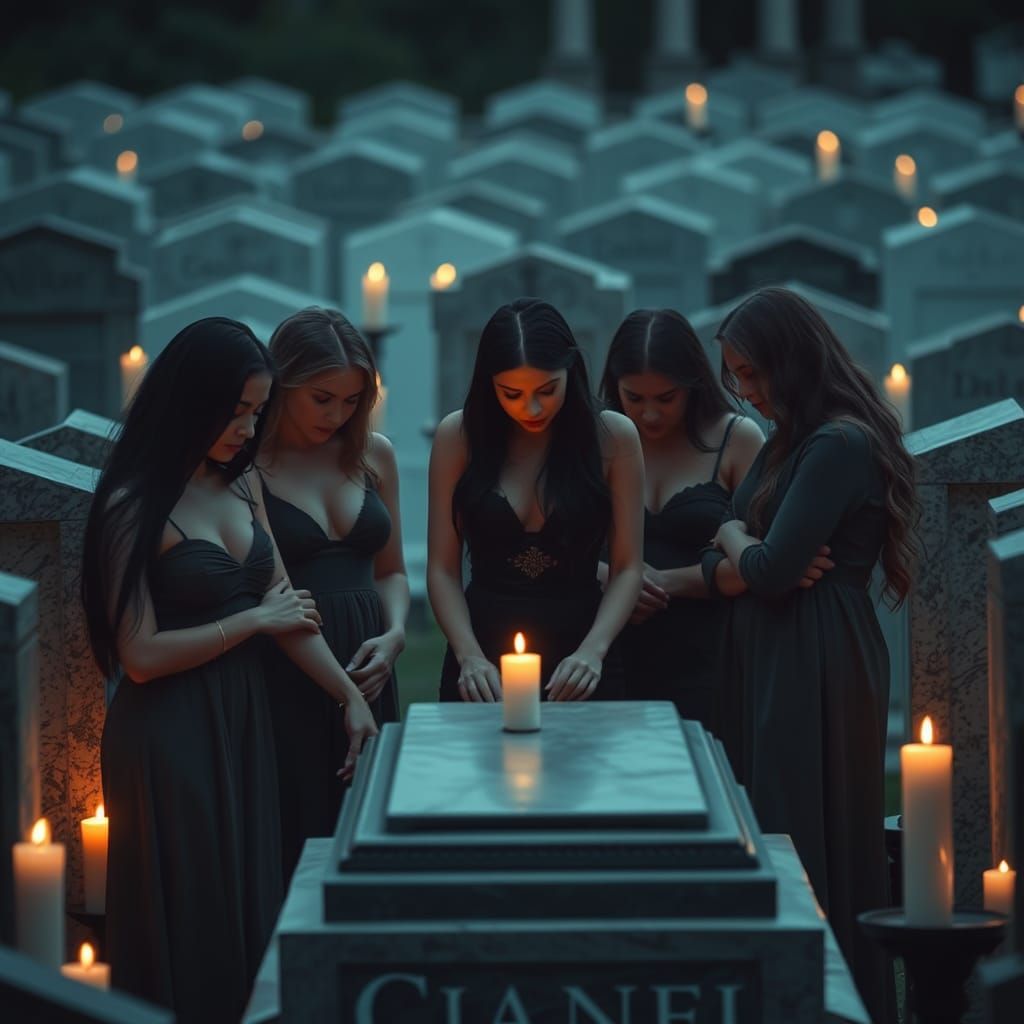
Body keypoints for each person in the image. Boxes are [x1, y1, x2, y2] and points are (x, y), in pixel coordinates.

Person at [82, 318, 378, 1024]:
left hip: (243, 719)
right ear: (190, 403)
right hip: (168, 734)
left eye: (256, 411)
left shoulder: (242, 491)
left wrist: (347, 697)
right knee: (194, 905)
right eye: (236, 410)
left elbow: (288, 612)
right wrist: (250, 623)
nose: (247, 429)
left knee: (247, 897)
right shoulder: (131, 508)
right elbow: (141, 658)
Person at [702, 287, 917, 1024]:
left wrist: (744, 550)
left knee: (810, 826)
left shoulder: (837, 444)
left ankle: (833, 1002)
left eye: (753, 374)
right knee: (775, 821)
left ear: (790, 362)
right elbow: (743, 552)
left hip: (816, 651)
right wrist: (742, 546)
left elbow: (768, 575)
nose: (745, 392)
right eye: (734, 377)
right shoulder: (790, 440)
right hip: (778, 646)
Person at [428, 297, 643, 703]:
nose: (531, 407)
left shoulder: (612, 438)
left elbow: (628, 566)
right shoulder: (458, 437)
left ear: (571, 372)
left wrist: (593, 651)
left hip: (583, 656)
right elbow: (441, 569)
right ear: (489, 384)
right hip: (482, 658)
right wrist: (468, 654)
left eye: (547, 390)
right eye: (511, 393)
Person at [258, 307, 408, 881]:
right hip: (291, 664)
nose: (337, 414)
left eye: (350, 400)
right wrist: (342, 692)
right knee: (297, 825)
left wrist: (394, 635)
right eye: (322, 398)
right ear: (281, 383)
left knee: (364, 832)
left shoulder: (374, 453)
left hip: (369, 661)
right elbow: (273, 586)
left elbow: (390, 571)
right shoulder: (252, 465)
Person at [598, 308, 763, 724]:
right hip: (608, 655)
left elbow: (763, 556)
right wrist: (607, 578)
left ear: (693, 385)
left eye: (666, 398)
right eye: (634, 398)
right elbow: (551, 542)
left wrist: (659, 581)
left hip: (710, 657)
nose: (650, 415)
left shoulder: (736, 439)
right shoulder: (596, 439)